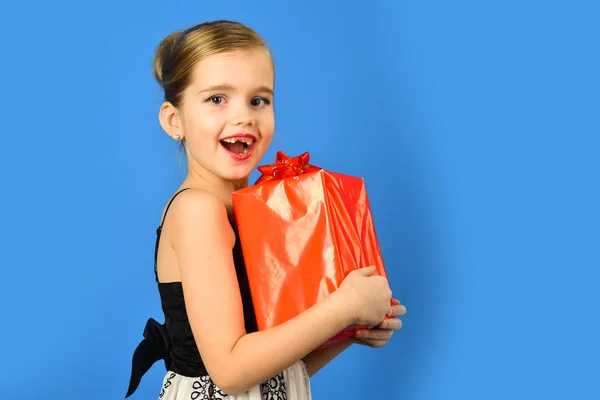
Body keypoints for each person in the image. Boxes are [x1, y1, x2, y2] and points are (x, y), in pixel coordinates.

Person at [125, 20, 407, 400]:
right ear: (174, 121)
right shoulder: (198, 210)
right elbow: (230, 372)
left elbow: (280, 369)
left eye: (259, 100)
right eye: (217, 99)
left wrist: (350, 329)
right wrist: (342, 308)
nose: (244, 116)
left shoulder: (256, 208)